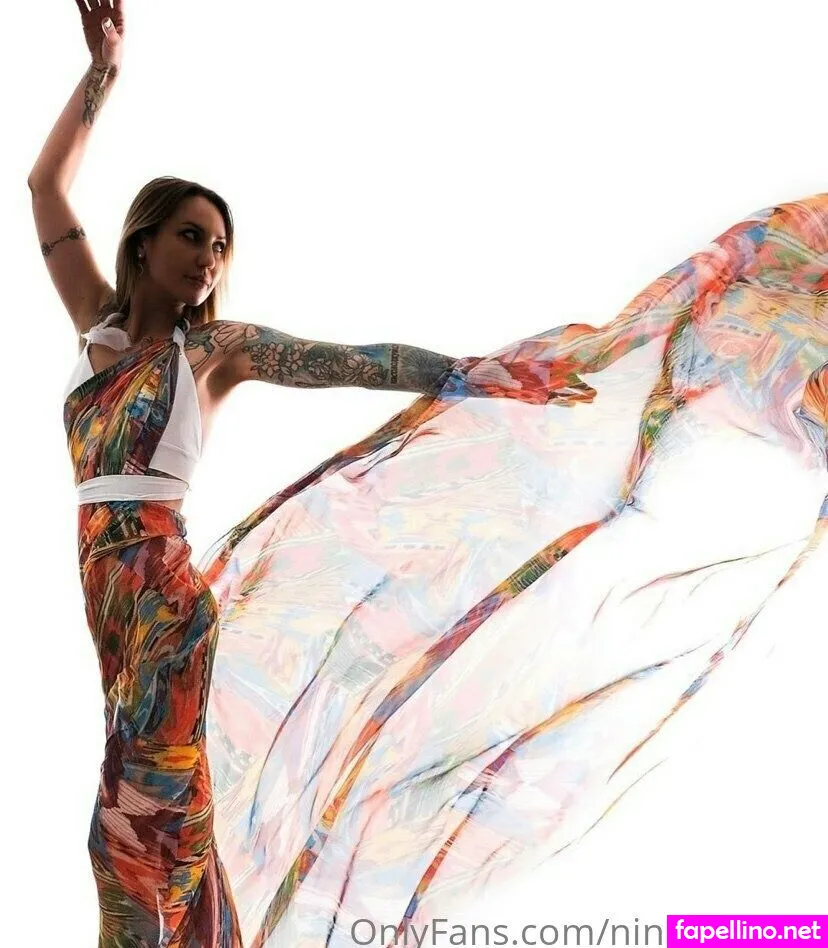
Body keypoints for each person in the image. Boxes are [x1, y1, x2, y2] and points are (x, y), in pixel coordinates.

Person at [30, 2, 828, 946]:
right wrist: (102, 74)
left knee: (124, 841)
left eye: (218, 246)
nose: (208, 260)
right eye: (191, 237)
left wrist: (481, 375)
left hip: (162, 598)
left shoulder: (214, 352)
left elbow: (360, 361)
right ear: (142, 242)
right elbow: (45, 185)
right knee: (161, 836)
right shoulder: (97, 329)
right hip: (109, 611)